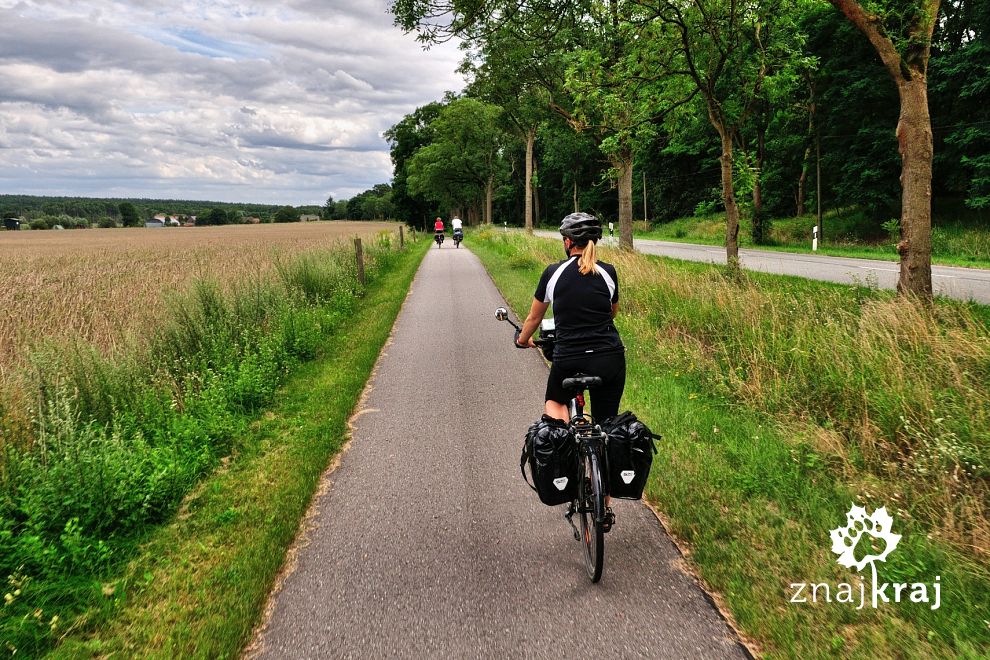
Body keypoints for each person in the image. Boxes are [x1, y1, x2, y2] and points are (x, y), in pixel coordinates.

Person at [515, 212, 624, 424]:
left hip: (569, 357)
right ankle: (604, 454)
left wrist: (522, 339)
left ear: (567, 242)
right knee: (608, 424)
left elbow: (534, 318)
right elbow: (612, 312)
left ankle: (562, 451)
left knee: (555, 402)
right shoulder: (608, 272)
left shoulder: (553, 272)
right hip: (609, 357)